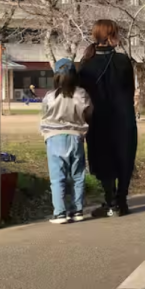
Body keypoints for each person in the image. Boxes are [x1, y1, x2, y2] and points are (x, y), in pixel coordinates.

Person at [79, 19, 138, 217]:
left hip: (98, 120)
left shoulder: (86, 63)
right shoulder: (123, 61)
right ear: (110, 36)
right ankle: (121, 202)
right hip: (124, 119)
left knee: (102, 159)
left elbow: (82, 95)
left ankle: (110, 201)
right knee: (124, 158)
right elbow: (130, 91)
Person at [40, 58, 92, 224]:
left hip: (54, 138)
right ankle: (77, 210)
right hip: (75, 137)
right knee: (78, 175)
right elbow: (89, 112)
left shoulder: (49, 96)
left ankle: (60, 212)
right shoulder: (81, 93)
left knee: (57, 177)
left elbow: (44, 113)